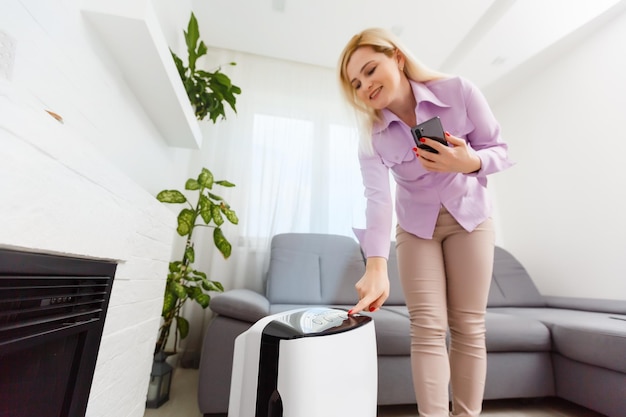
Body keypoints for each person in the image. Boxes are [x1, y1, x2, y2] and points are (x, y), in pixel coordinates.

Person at [337, 28, 513, 417]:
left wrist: (470, 162)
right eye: (356, 82)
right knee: (428, 329)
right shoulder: (372, 136)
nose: (365, 85)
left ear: (397, 58)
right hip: (417, 229)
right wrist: (375, 265)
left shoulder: (458, 92)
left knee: (468, 327)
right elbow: (378, 200)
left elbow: (499, 150)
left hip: (471, 218)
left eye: (370, 69)